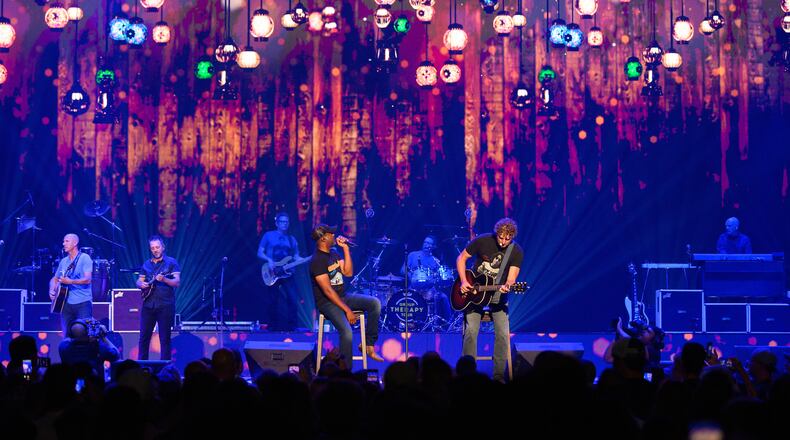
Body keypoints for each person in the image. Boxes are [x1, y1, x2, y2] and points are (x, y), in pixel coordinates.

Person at [455, 218, 523, 382]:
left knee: (502, 333)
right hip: (474, 293)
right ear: (496, 233)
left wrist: (508, 285)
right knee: (471, 331)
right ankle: (468, 375)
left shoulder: (516, 251)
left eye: (508, 239)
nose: (504, 241)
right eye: (501, 237)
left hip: (498, 296)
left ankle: (498, 376)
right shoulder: (482, 240)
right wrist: (464, 281)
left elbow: (512, 278)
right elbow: (461, 258)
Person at [309, 223, 383, 366]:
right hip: (327, 302)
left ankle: (368, 345)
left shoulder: (334, 252)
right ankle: (345, 370)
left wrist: (346, 249)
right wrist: (347, 311)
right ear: (323, 238)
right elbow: (328, 291)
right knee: (347, 332)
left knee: (375, 303)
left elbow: (348, 272)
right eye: (331, 234)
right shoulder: (316, 261)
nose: (334, 236)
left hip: (343, 296)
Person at [257, 211, 308, 331]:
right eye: (282, 222)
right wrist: (269, 260)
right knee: (272, 300)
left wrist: (305, 259)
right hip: (272, 271)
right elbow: (260, 252)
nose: (284, 224)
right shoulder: (268, 235)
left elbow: (296, 256)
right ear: (277, 223)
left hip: (287, 272)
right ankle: (272, 326)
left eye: (286, 222)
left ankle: (292, 327)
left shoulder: (292, 239)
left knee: (292, 299)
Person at [136, 235, 181, 360]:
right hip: (148, 305)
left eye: (157, 247)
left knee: (164, 338)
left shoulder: (171, 262)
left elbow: (177, 282)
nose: (155, 250)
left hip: (165, 305)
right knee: (144, 338)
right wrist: (141, 284)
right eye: (152, 248)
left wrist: (165, 279)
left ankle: (165, 368)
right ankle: (142, 366)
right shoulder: (146, 264)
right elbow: (139, 281)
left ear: (163, 247)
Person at [401, 235, 453, 323]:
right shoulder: (413, 255)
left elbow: (437, 278)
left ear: (433, 247)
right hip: (413, 288)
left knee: (443, 297)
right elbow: (402, 270)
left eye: (429, 243)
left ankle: (448, 324)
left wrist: (434, 280)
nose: (426, 244)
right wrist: (411, 277)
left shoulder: (435, 261)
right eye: (425, 242)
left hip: (429, 290)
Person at [49, 233, 93, 334]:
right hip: (65, 303)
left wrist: (71, 281)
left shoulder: (84, 258)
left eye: (67, 241)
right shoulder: (63, 261)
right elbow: (54, 279)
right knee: (67, 335)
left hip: (83, 303)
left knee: (84, 334)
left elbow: (88, 279)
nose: (63, 244)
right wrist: (51, 289)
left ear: (75, 243)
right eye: (63, 241)